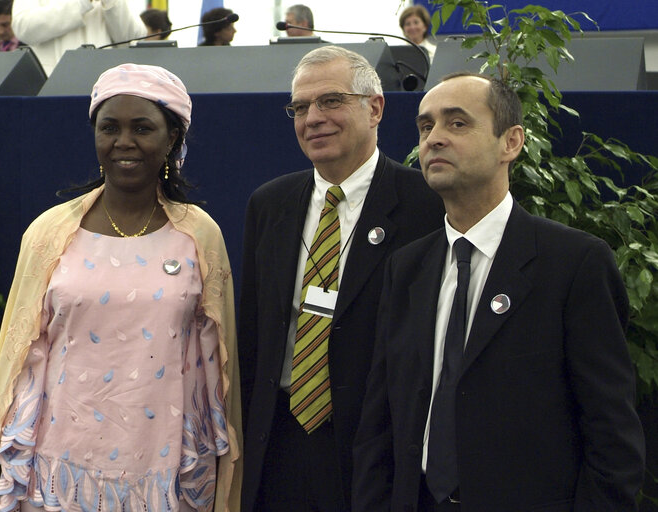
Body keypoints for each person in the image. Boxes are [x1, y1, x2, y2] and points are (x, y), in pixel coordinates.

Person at [352, 73, 645, 511]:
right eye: (426, 126)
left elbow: (613, 438)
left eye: (457, 123)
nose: (434, 139)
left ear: (511, 142)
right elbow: (380, 422)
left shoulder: (574, 263)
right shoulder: (407, 267)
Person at [0, 63, 242, 512]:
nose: (124, 142)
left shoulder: (200, 237)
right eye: (109, 127)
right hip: (57, 469)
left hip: (163, 471)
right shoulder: (49, 232)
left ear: (172, 138)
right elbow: (18, 360)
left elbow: (218, 370)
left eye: (142, 128)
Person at [239, 45, 445, 512]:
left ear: (374, 109)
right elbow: (252, 338)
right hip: (280, 447)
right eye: (300, 107)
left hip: (376, 454)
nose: (312, 118)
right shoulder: (269, 205)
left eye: (330, 101)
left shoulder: (426, 206)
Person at [11, 0, 146, 75]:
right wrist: (82, 3)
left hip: (106, 85)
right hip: (52, 83)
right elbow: (24, 28)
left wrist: (111, 3)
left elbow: (132, 38)